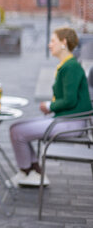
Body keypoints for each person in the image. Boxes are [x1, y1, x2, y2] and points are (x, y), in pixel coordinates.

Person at [9, 27, 92, 186]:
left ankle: (29, 172)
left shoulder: (71, 67)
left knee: (17, 131)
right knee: (17, 128)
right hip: (64, 120)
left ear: (63, 43)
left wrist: (49, 105)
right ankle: (31, 172)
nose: (49, 44)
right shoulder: (67, 65)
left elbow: (70, 101)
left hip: (71, 123)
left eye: (53, 41)